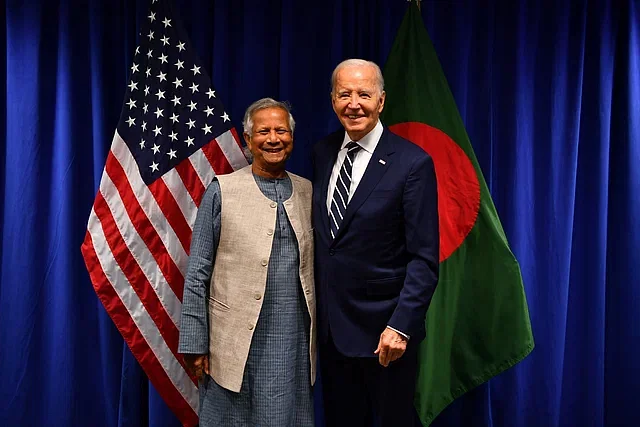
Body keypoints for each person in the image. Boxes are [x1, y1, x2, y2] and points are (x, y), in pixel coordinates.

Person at [312, 58, 439, 426]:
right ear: (333, 100)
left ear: (381, 101)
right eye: (344, 94)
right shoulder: (321, 153)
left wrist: (401, 327)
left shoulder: (412, 163)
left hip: (385, 337)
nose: (354, 103)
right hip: (332, 334)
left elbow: (424, 260)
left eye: (364, 94)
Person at [178, 98, 316, 426]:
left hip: (291, 342)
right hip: (232, 343)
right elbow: (197, 271)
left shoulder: (307, 190)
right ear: (248, 140)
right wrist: (195, 342)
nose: (273, 139)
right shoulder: (222, 190)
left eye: (281, 131)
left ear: (292, 139)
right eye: (263, 131)